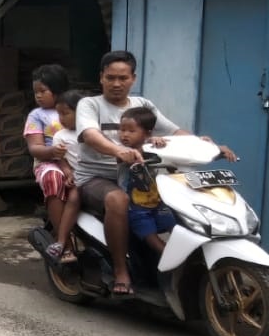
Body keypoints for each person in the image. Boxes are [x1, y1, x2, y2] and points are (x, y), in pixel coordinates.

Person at [74, 50, 236, 295]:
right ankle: (121, 271)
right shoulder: (90, 104)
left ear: (133, 78)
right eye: (111, 77)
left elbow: (173, 131)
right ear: (101, 78)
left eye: (123, 77)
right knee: (118, 199)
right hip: (98, 177)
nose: (117, 83)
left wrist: (207, 145)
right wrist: (119, 151)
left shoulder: (143, 105)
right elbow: (90, 135)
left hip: (141, 175)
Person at [25, 64, 73, 261]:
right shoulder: (36, 115)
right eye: (36, 91)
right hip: (48, 163)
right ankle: (65, 243)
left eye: (43, 91)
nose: (38, 96)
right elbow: (34, 148)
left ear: (58, 89)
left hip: (78, 161)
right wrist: (52, 152)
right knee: (55, 178)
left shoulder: (79, 108)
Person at [117, 107, 176, 260]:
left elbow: (171, 166)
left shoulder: (153, 149)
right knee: (147, 231)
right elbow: (126, 157)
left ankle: (186, 255)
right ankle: (169, 257)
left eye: (131, 131)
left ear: (148, 133)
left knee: (174, 224)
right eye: (122, 130)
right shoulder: (122, 150)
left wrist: (160, 147)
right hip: (134, 205)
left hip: (155, 199)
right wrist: (148, 145)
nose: (124, 134)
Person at [46, 90, 85, 264]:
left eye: (66, 113)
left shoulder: (92, 132)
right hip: (79, 178)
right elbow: (61, 161)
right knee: (74, 197)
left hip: (98, 175)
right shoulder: (60, 136)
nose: (61, 118)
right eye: (59, 113)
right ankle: (62, 241)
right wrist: (68, 172)